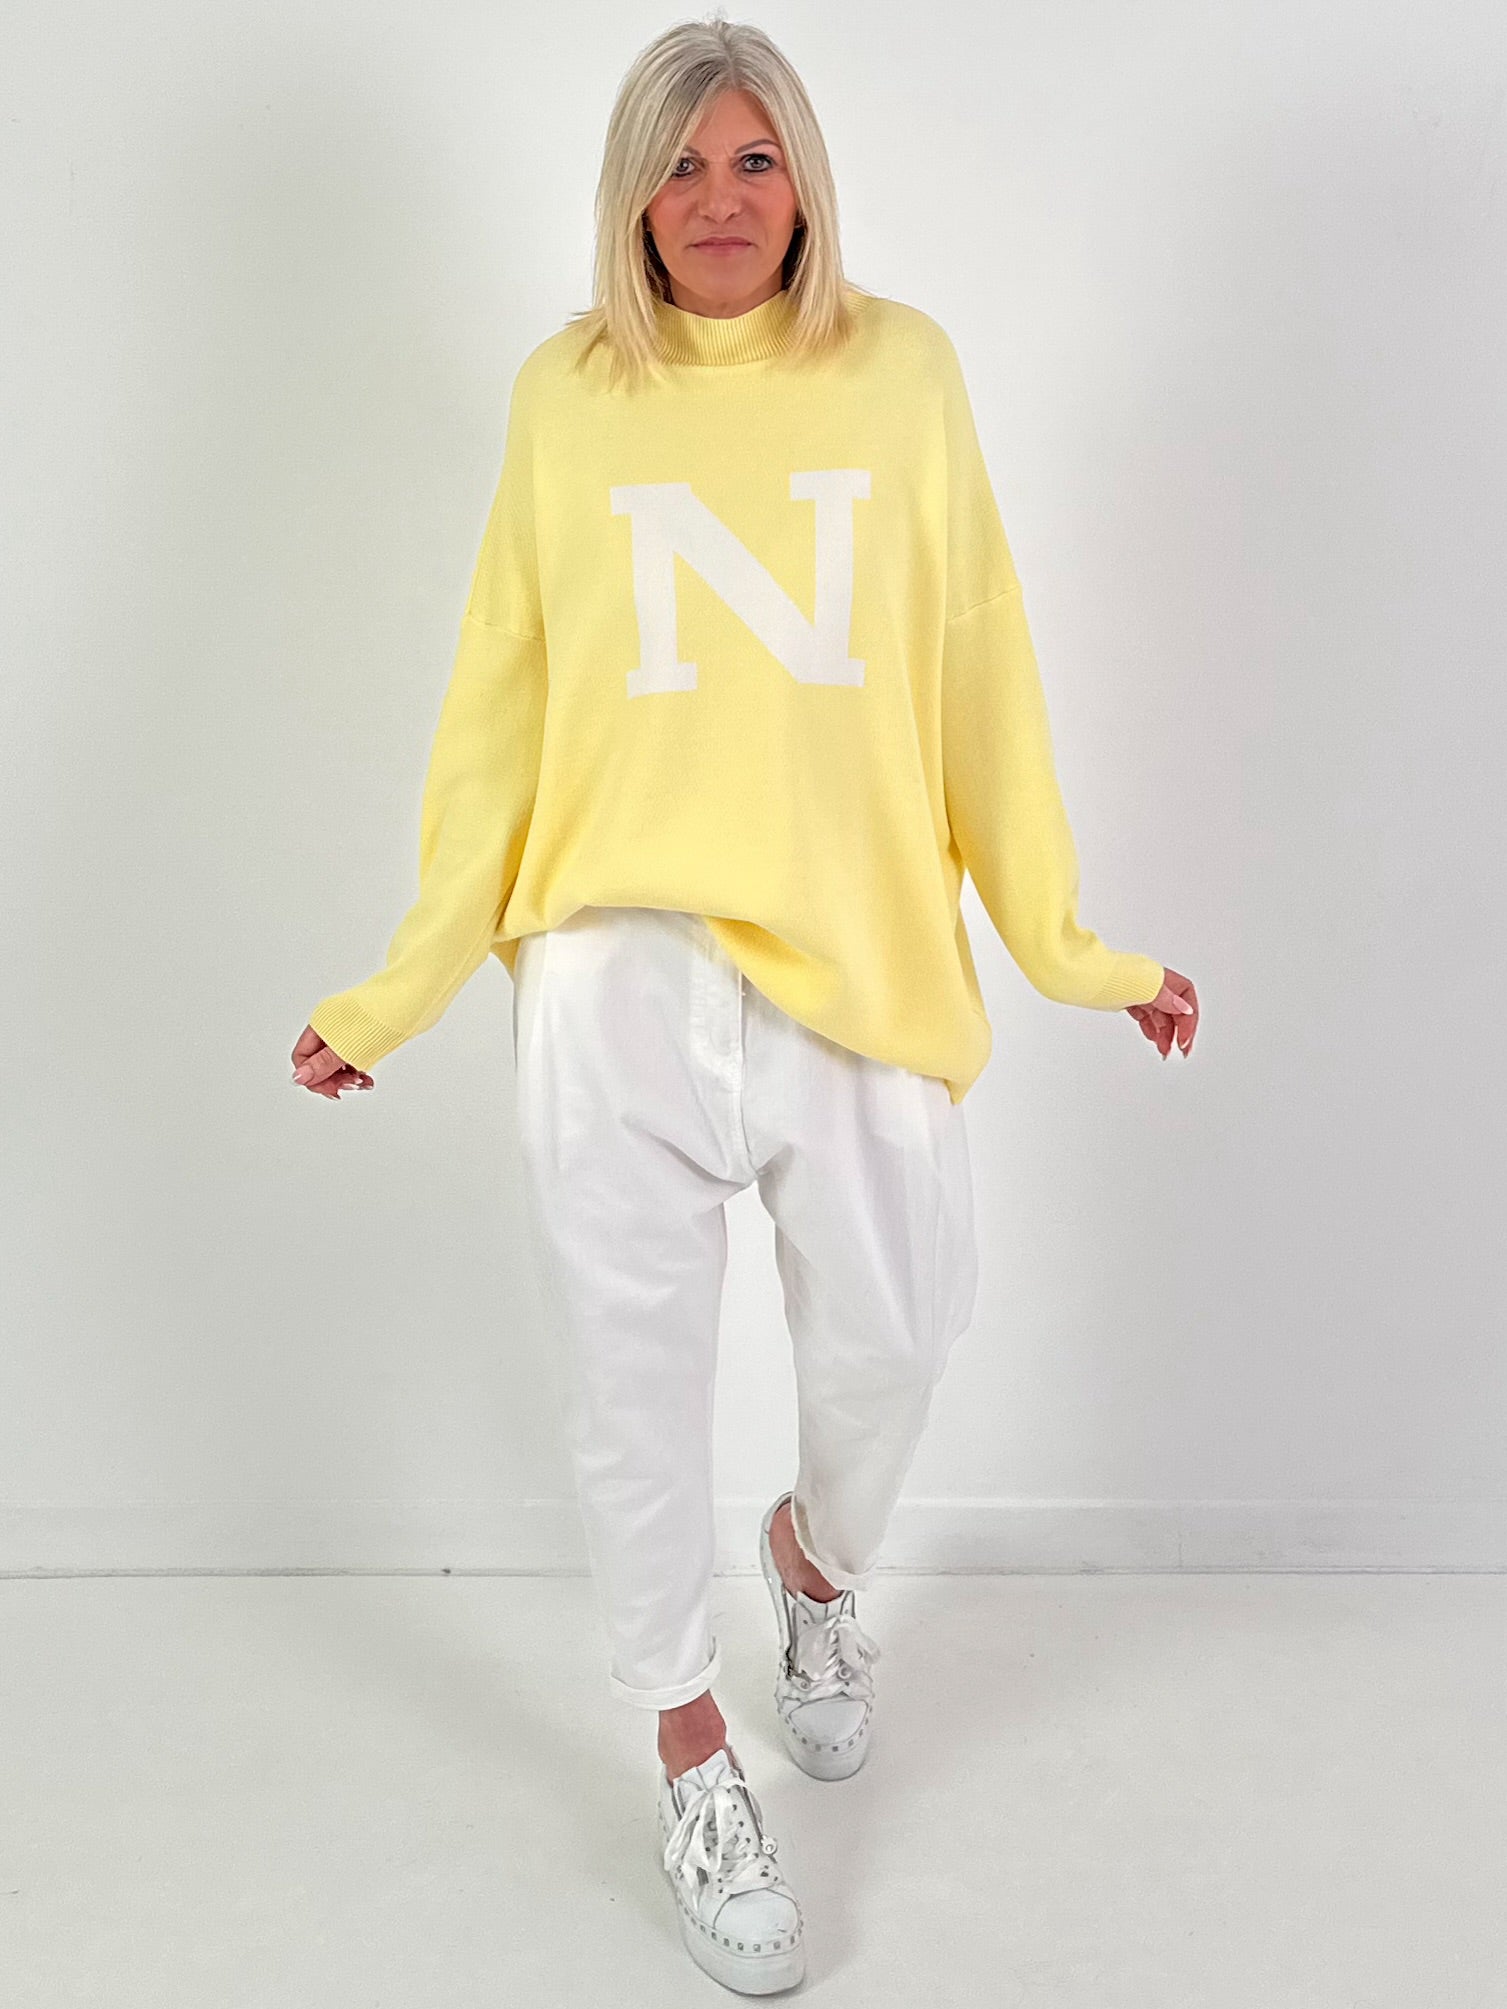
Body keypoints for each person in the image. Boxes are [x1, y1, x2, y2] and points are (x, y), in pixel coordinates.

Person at [290, 14, 1197, 1996]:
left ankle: (813, 1563)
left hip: (854, 954)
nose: (716, 198)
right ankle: (691, 1753)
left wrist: (1069, 947)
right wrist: (407, 981)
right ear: (632, 194)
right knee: (630, 1390)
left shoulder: (903, 372)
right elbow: (500, 702)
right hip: (611, 962)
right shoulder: (567, 397)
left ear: (805, 186)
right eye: (681, 164)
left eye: (753, 160)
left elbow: (980, 673)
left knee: (899, 1331)